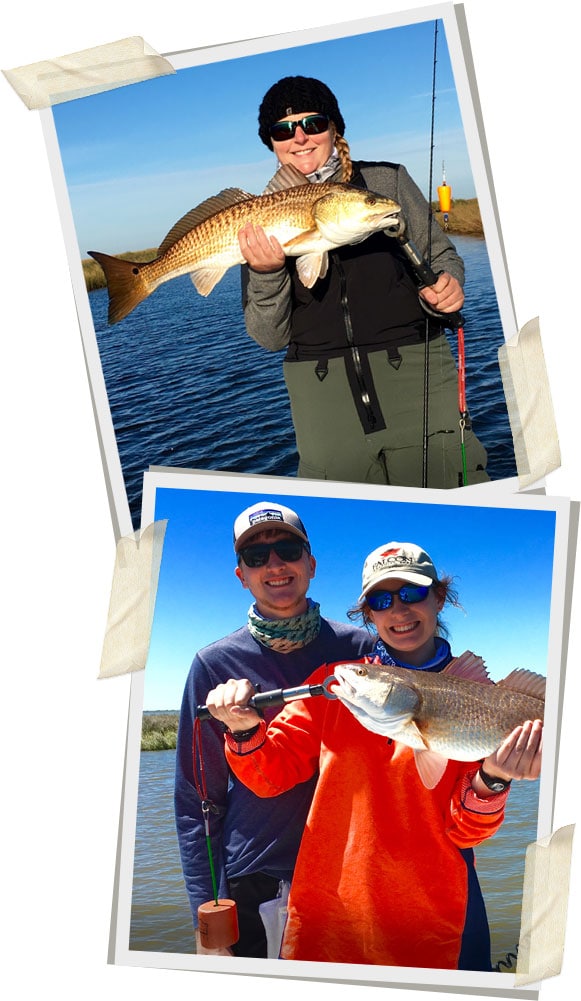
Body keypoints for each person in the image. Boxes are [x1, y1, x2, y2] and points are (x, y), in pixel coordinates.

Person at [205, 541, 543, 970]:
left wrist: (493, 777)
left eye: (413, 593)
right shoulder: (332, 685)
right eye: (382, 601)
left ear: (439, 598)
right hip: (332, 906)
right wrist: (244, 728)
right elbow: (269, 775)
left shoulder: (481, 695)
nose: (399, 611)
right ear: (368, 614)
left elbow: (467, 831)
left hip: (436, 909)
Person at [238, 76, 490, 488]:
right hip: (322, 404)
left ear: (335, 128)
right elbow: (268, 337)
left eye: (314, 123)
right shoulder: (257, 217)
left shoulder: (386, 182)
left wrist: (448, 285)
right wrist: (266, 275)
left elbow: (442, 255)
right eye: (283, 130)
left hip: (419, 379)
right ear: (271, 142)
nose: (300, 137)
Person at [174, 500, 373, 958]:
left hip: (355, 872)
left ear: (312, 564)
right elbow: (196, 801)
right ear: (241, 574)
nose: (275, 564)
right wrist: (206, 915)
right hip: (260, 880)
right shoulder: (212, 664)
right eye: (256, 557)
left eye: (287, 548)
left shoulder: (363, 648)